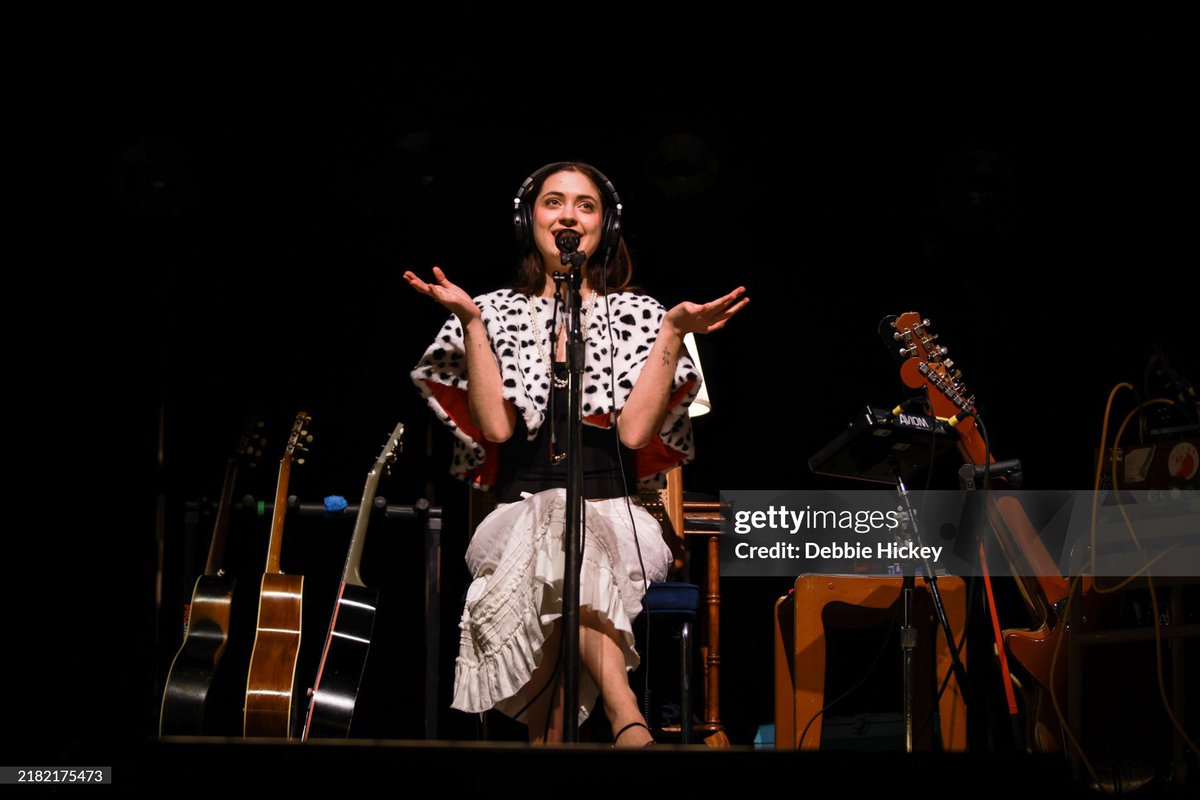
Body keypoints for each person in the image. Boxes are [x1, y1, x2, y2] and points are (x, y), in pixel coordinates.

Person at [406, 162, 747, 746]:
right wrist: (471, 323)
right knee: (553, 517)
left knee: (567, 538)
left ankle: (550, 740)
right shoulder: (491, 310)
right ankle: (627, 716)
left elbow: (637, 436)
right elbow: (493, 426)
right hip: (514, 518)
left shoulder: (639, 314)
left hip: (620, 523)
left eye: (585, 205)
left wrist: (670, 332)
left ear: (605, 226)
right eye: (553, 202)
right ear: (529, 219)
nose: (568, 215)